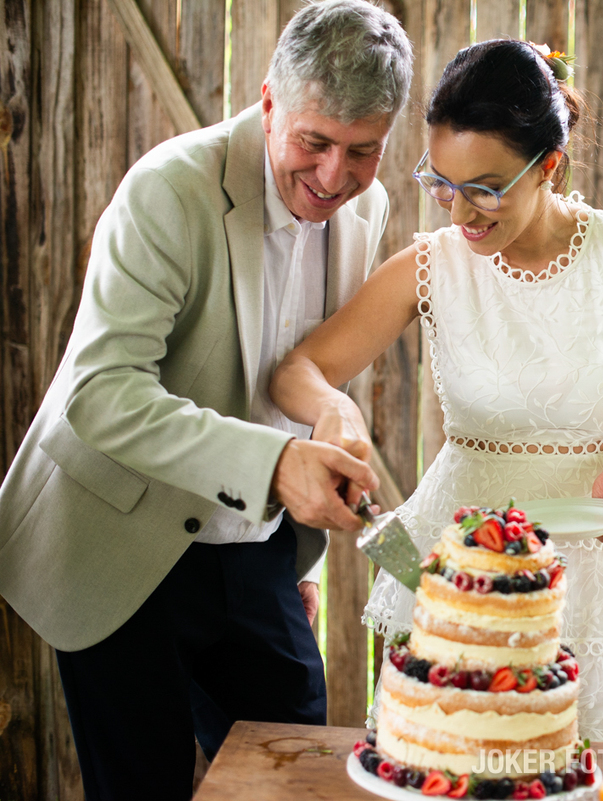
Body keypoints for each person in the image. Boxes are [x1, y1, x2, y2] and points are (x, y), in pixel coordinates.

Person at [0, 2, 412, 797]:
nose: (335, 178)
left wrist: (301, 525)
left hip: (257, 551)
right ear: (268, 103)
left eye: (363, 150)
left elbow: (299, 371)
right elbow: (101, 392)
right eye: (314, 142)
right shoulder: (167, 190)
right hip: (119, 546)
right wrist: (277, 462)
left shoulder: (368, 207)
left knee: (297, 781)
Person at [270, 39, 603, 745]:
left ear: (550, 167)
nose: (461, 212)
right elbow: (298, 370)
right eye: (442, 182)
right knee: (459, 760)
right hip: (461, 582)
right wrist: (333, 409)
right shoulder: (432, 265)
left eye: (486, 186)